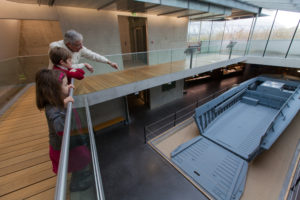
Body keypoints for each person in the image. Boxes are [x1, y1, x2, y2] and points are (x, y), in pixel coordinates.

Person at [35, 69, 92, 191]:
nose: (70, 87)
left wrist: (66, 93)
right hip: (64, 145)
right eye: (66, 85)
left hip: (72, 140)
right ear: (55, 91)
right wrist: (63, 106)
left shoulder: (58, 100)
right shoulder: (52, 109)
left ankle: (80, 175)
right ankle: (76, 185)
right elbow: (60, 127)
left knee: (79, 161)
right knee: (76, 162)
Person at [48, 29, 118, 72]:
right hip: (56, 78)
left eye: (82, 44)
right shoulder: (56, 48)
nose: (81, 47)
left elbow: (93, 55)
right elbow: (66, 67)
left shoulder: (79, 47)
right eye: (78, 45)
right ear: (69, 44)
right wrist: (84, 64)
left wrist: (109, 62)